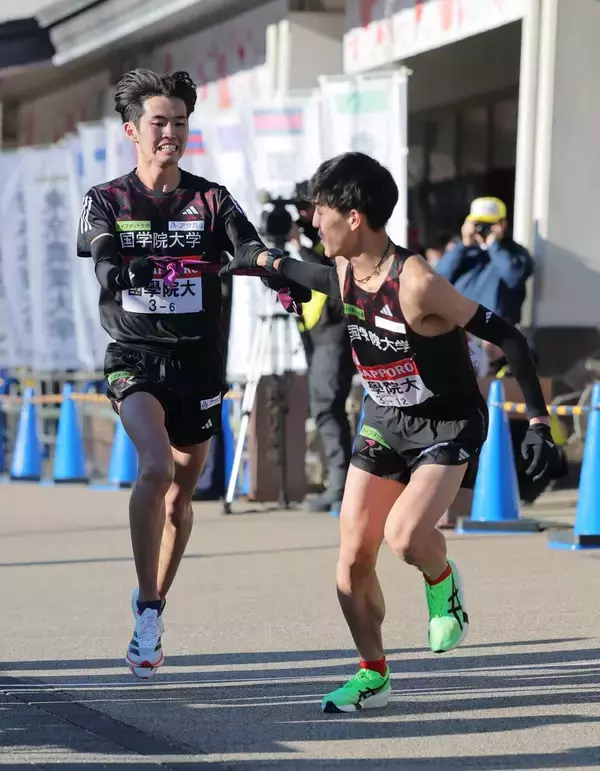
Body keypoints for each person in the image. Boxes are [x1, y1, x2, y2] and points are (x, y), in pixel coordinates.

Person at [220, 152, 559, 713]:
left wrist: (542, 423)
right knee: (352, 559)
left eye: (319, 211)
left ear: (354, 217)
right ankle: (372, 674)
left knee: (404, 537)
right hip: (385, 419)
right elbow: (304, 274)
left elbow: (512, 338)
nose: (311, 220)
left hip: (446, 422)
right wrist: (261, 260)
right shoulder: (347, 269)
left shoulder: (418, 282)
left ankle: (442, 579)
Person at [76, 68, 307, 679]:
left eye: (180, 123)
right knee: (154, 466)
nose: (170, 133)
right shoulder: (107, 198)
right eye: (159, 123)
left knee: (182, 495)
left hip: (199, 363)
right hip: (133, 356)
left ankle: (155, 600)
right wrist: (117, 274)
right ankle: (147, 608)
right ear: (132, 129)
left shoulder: (211, 199)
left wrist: (281, 270)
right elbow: (101, 250)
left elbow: (249, 248)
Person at [289, 184, 354, 513]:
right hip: (315, 331)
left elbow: (331, 274)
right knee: (323, 406)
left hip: (333, 330)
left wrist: (300, 249)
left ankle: (341, 486)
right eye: (301, 209)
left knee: (328, 406)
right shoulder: (304, 236)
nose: (307, 217)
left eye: (311, 209)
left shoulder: (333, 236)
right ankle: (339, 483)